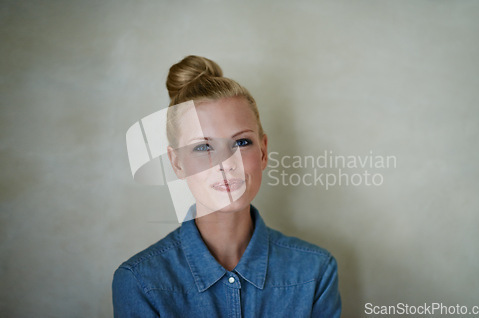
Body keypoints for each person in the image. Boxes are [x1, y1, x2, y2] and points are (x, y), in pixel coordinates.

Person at [112, 55, 341, 317]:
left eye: (241, 143)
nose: (226, 163)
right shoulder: (140, 282)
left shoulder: (316, 271)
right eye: (203, 147)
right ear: (177, 163)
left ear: (263, 152)